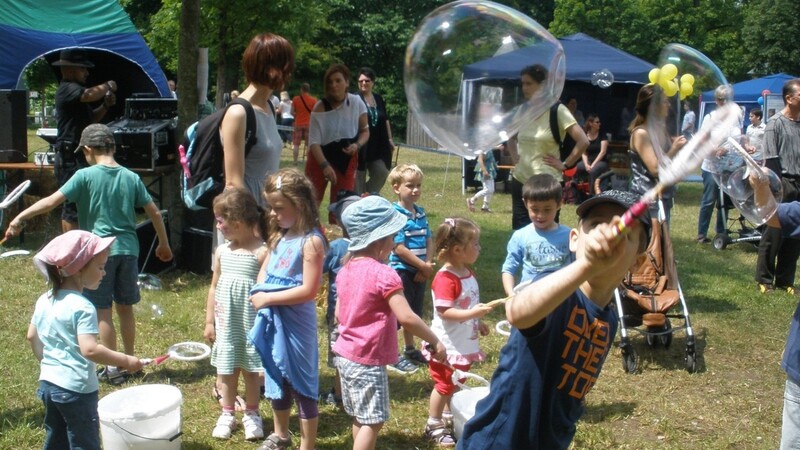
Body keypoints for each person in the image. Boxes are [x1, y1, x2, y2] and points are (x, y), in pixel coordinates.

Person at [458, 190, 651, 449]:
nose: (608, 237)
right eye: (595, 225)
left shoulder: (609, 320)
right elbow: (518, 311)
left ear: (637, 261)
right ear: (574, 239)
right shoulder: (555, 291)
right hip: (499, 439)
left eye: (624, 234)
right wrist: (586, 267)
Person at [6, 124, 172, 385]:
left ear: (86, 150)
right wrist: (163, 243)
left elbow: (51, 202)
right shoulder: (131, 176)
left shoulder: (84, 176)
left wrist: (20, 216)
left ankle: (115, 368)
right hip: (128, 249)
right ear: (114, 147)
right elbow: (153, 211)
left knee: (102, 311)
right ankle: (130, 361)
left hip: (97, 254)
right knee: (125, 308)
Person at [334, 195, 447, 450]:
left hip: (344, 356)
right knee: (373, 422)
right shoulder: (385, 274)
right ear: (381, 239)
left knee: (360, 417)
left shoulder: (346, 268)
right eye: (393, 235)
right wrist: (434, 340)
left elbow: (340, 315)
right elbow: (407, 317)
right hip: (367, 360)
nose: (395, 241)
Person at [27, 230, 144, 450]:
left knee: (56, 436)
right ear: (78, 269)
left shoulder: (45, 299)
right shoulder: (82, 306)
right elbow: (90, 350)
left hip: (48, 385)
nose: (104, 273)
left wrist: (47, 362)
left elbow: (32, 336)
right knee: (84, 441)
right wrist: (126, 360)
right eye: (100, 267)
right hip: (76, 390)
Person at [248, 168, 326, 450]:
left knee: (301, 382)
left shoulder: (312, 241)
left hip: (296, 323)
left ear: (300, 204)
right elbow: (264, 271)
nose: (272, 213)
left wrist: (268, 299)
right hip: (273, 318)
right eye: (270, 206)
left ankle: (308, 445)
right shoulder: (279, 237)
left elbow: (309, 290)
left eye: (279, 207)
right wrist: (259, 291)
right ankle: (281, 434)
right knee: (276, 375)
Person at [204, 188, 269, 441]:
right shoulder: (222, 252)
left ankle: (252, 414)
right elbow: (213, 286)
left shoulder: (261, 252)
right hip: (227, 324)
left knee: (252, 371)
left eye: (221, 220)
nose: (218, 226)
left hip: (250, 325)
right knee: (227, 369)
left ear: (237, 221)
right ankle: (227, 413)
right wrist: (210, 321)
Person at [422, 217, 491, 447]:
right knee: (443, 384)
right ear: (458, 249)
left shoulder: (467, 273)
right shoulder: (445, 278)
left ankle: (446, 413)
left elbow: (467, 305)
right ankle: (433, 422)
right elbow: (445, 312)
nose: (480, 248)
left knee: (455, 380)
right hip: (446, 346)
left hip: (463, 343)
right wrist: (473, 315)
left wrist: (477, 322)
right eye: (476, 244)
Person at [507, 65, 589, 230]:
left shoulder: (557, 110)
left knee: (545, 234)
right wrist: (515, 156)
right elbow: (510, 136)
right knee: (520, 234)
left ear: (542, 85)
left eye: (529, 83)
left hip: (546, 185)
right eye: (523, 83)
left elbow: (583, 141)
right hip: (521, 180)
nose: (524, 88)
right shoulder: (523, 110)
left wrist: (565, 164)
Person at [221, 33, 293, 209]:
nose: (289, 72)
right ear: (271, 69)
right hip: (244, 221)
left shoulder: (268, 106)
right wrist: (254, 230)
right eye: (286, 66)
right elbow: (233, 184)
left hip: (268, 214)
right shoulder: (238, 113)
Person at [52, 48, 118, 233]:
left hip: (78, 155)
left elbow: (91, 120)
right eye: (83, 69)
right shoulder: (67, 88)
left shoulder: (76, 93)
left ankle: (81, 244)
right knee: (71, 206)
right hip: (69, 157)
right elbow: (89, 95)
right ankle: (71, 249)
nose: (87, 73)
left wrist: (105, 105)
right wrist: (108, 85)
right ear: (71, 69)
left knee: (81, 203)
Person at [306, 64, 369, 223]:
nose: (333, 85)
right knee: (309, 200)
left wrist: (357, 145)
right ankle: (307, 230)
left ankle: (339, 234)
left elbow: (365, 131)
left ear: (347, 82)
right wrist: (324, 165)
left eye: (338, 81)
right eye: (330, 82)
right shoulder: (319, 107)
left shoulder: (357, 103)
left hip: (346, 158)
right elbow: (313, 142)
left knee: (342, 202)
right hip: (320, 156)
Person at [387, 163, 435, 374]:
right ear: (397, 188)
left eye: (418, 185)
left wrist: (428, 265)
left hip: (421, 270)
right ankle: (391, 353)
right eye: (410, 186)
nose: (416, 190)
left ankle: (410, 349)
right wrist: (422, 265)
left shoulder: (420, 212)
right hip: (402, 270)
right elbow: (398, 247)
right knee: (399, 315)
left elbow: (429, 238)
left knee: (414, 312)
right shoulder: (395, 214)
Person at [755, 78, 800, 294]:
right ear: (789, 99)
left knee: (795, 235)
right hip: (782, 181)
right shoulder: (775, 124)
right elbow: (771, 159)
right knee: (773, 232)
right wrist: (775, 188)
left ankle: (785, 280)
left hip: (799, 182)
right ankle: (764, 279)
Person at [319, 192, 361, 407]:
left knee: (339, 351)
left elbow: (319, 272)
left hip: (338, 311)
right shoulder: (369, 247)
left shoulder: (336, 247)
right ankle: (355, 389)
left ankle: (338, 394)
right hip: (362, 310)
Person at [501, 174, 572, 297]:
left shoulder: (569, 235)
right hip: (531, 299)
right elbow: (508, 269)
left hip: (563, 299)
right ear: (525, 204)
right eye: (535, 209)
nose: (540, 215)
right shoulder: (520, 236)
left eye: (547, 209)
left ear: (559, 204)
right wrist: (510, 294)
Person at [629, 84, 687, 226]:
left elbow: (666, 160)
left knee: (662, 244)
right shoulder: (641, 133)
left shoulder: (658, 130)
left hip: (662, 198)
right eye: (664, 101)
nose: (668, 105)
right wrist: (674, 149)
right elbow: (655, 169)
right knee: (652, 245)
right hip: (646, 201)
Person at [355, 67, 395, 195]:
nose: (363, 83)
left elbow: (385, 120)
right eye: (360, 81)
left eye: (367, 80)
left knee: (381, 172)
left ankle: (368, 194)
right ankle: (358, 198)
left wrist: (390, 139)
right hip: (360, 145)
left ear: (373, 82)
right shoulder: (354, 99)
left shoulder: (378, 98)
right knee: (359, 177)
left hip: (377, 145)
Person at [575, 114, 609, 195]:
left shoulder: (602, 135)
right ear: (590, 123)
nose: (599, 124)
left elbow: (603, 152)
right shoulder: (585, 135)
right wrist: (586, 164)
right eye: (597, 122)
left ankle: (591, 195)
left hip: (601, 161)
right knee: (576, 168)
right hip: (589, 160)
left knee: (593, 171)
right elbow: (584, 152)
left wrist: (593, 164)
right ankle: (575, 193)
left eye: (599, 122)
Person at [291, 83, 317, 165]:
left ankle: (295, 161)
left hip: (298, 123)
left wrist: (297, 115)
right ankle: (308, 161)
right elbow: (315, 113)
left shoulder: (296, 99)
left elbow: (291, 112)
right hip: (309, 124)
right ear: (308, 90)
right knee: (308, 144)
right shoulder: (313, 100)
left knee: (296, 143)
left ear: (301, 89)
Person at [467, 146, 498, 213]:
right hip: (485, 171)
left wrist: (497, 147)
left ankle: (485, 207)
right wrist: (484, 171)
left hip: (490, 170)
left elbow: (491, 147)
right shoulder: (483, 148)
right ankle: (472, 200)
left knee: (491, 189)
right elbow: (480, 159)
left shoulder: (488, 146)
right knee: (488, 189)